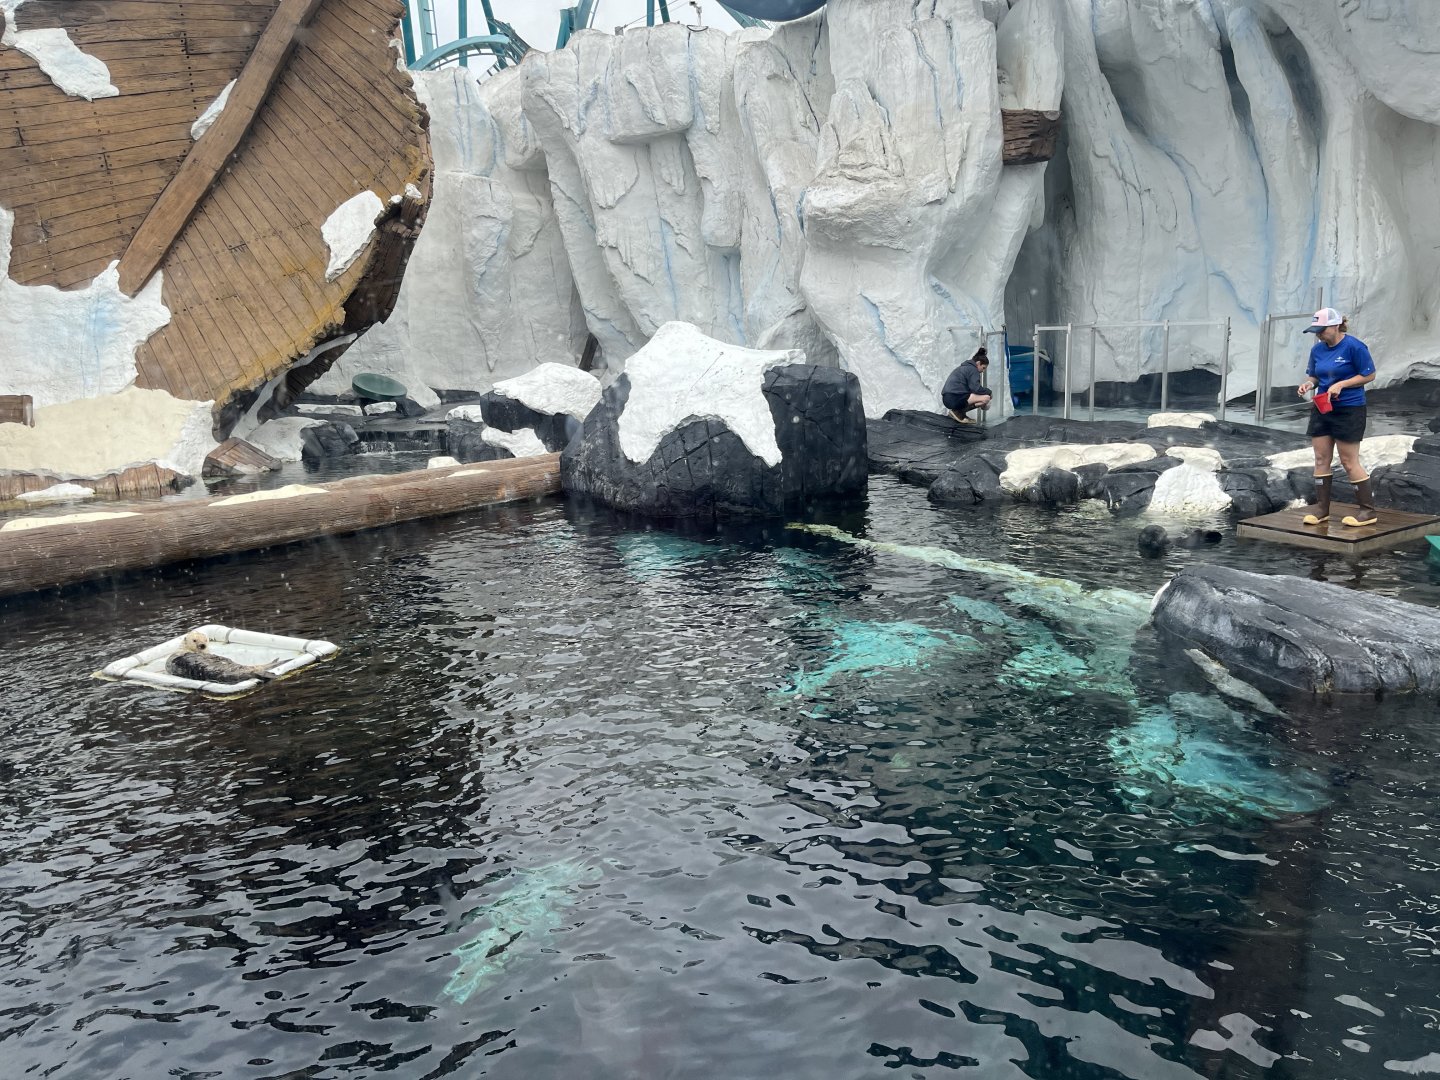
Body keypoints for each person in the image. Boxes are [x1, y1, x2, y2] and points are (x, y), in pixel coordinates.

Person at [1295, 307, 1378, 527]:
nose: (1319, 334)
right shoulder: (1318, 350)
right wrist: (1308, 384)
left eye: (1321, 330)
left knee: (1349, 461)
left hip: (1349, 408)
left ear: (1335, 325)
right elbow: (1314, 375)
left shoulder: (1354, 347)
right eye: (1316, 331)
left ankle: (1367, 511)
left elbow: (1369, 374)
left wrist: (1342, 384)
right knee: (1321, 458)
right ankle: (1322, 509)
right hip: (1323, 407)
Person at [942, 348, 993, 425]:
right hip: (953, 398)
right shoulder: (973, 370)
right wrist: (989, 392)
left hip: (948, 398)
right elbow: (976, 389)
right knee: (986, 398)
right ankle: (958, 412)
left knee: (978, 396)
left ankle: (959, 413)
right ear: (978, 363)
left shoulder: (965, 368)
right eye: (983, 368)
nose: (983, 371)